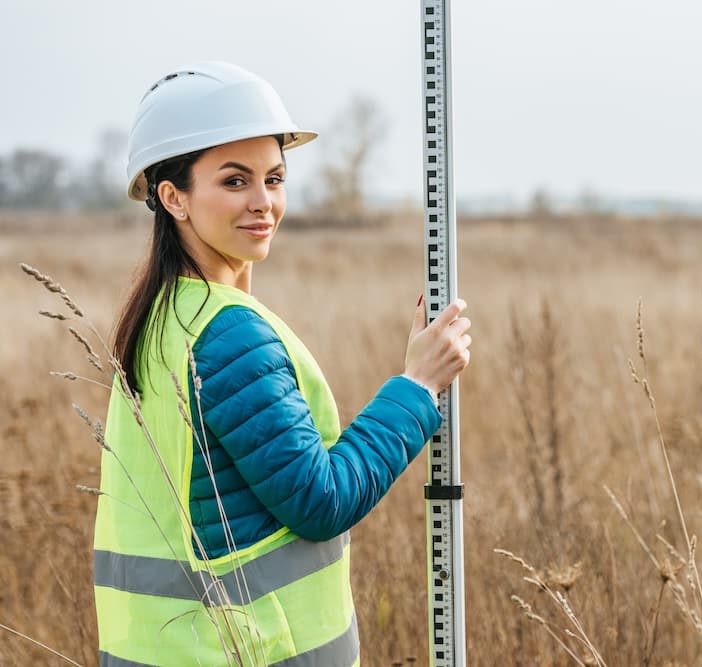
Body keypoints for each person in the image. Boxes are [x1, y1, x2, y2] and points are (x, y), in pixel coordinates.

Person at [93, 62, 471, 666]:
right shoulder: (224, 332)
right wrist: (418, 387)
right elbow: (320, 501)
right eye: (235, 181)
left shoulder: (164, 316)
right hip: (246, 652)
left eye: (274, 178)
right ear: (173, 198)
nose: (264, 202)